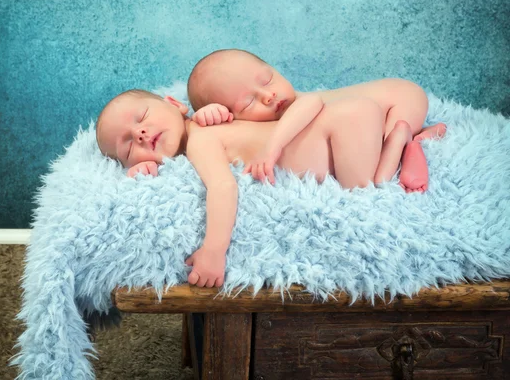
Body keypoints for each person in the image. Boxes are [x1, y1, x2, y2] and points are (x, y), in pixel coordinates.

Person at [95, 86, 438, 288]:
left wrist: (213, 251)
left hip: (342, 126)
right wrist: (147, 163)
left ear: (174, 104)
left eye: (141, 119)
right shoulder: (211, 124)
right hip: (347, 118)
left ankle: (401, 139)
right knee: (368, 179)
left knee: (367, 190)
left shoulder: (202, 136)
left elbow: (223, 188)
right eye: (128, 146)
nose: (139, 134)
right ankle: (402, 138)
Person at [187, 49, 446, 192]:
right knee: (370, 143)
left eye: (267, 80)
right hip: (376, 115)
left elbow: (310, 105)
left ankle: (405, 138)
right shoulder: (243, 126)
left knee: (377, 173)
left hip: (402, 100)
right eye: (248, 103)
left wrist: (272, 148)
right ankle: (413, 136)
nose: (269, 96)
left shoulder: (299, 103)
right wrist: (209, 115)